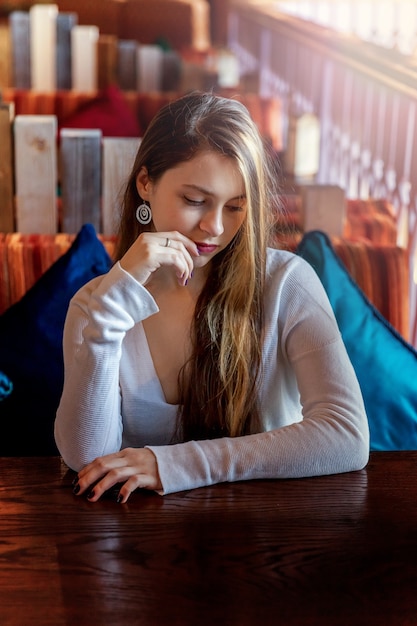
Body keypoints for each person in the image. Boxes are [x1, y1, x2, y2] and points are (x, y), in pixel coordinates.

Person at [55, 92, 369, 503]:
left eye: (236, 207)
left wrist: (174, 464)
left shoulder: (287, 283)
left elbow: (346, 434)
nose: (215, 227)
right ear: (145, 183)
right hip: (145, 544)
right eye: (195, 201)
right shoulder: (96, 306)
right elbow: (87, 457)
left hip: (277, 536)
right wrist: (116, 302)